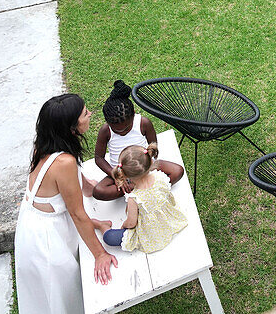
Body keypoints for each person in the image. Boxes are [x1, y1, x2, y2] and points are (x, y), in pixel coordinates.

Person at [15, 94, 117, 314]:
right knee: (62, 297)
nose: (90, 114)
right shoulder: (64, 162)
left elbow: (84, 186)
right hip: (45, 238)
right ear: (71, 127)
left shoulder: (47, 144)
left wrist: (118, 185)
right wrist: (100, 254)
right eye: (85, 113)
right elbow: (77, 213)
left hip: (37, 222)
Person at [92, 80, 184, 200]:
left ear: (133, 115)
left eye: (126, 128)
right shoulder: (105, 130)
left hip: (143, 167)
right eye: (117, 131)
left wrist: (145, 169)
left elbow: (154, 146)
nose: (122, 132)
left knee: (177, 171)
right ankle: (139, 189)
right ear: (108, 122)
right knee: (99, 191)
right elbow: (98, 158)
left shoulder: (143, 123)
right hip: (121, 173)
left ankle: (139, 189)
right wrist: (115, 176)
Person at [100, 143, 190, 254]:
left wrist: (125, 225)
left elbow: (132, 223)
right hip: (168, 221)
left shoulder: (134, 198)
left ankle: (102, 226)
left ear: (124, 174)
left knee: (109, 237)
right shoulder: (161, 177)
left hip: (150, 232)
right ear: (151, 162)